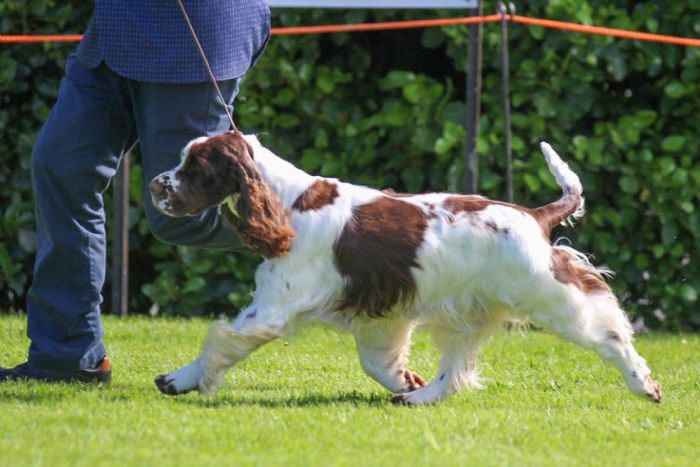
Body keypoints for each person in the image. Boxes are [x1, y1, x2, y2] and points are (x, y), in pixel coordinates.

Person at [0, 0, 271, 383]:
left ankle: (326, 234)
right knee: (61, 167)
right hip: (115, 34)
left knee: (177, 218)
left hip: (194, 36)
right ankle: (67, 357)